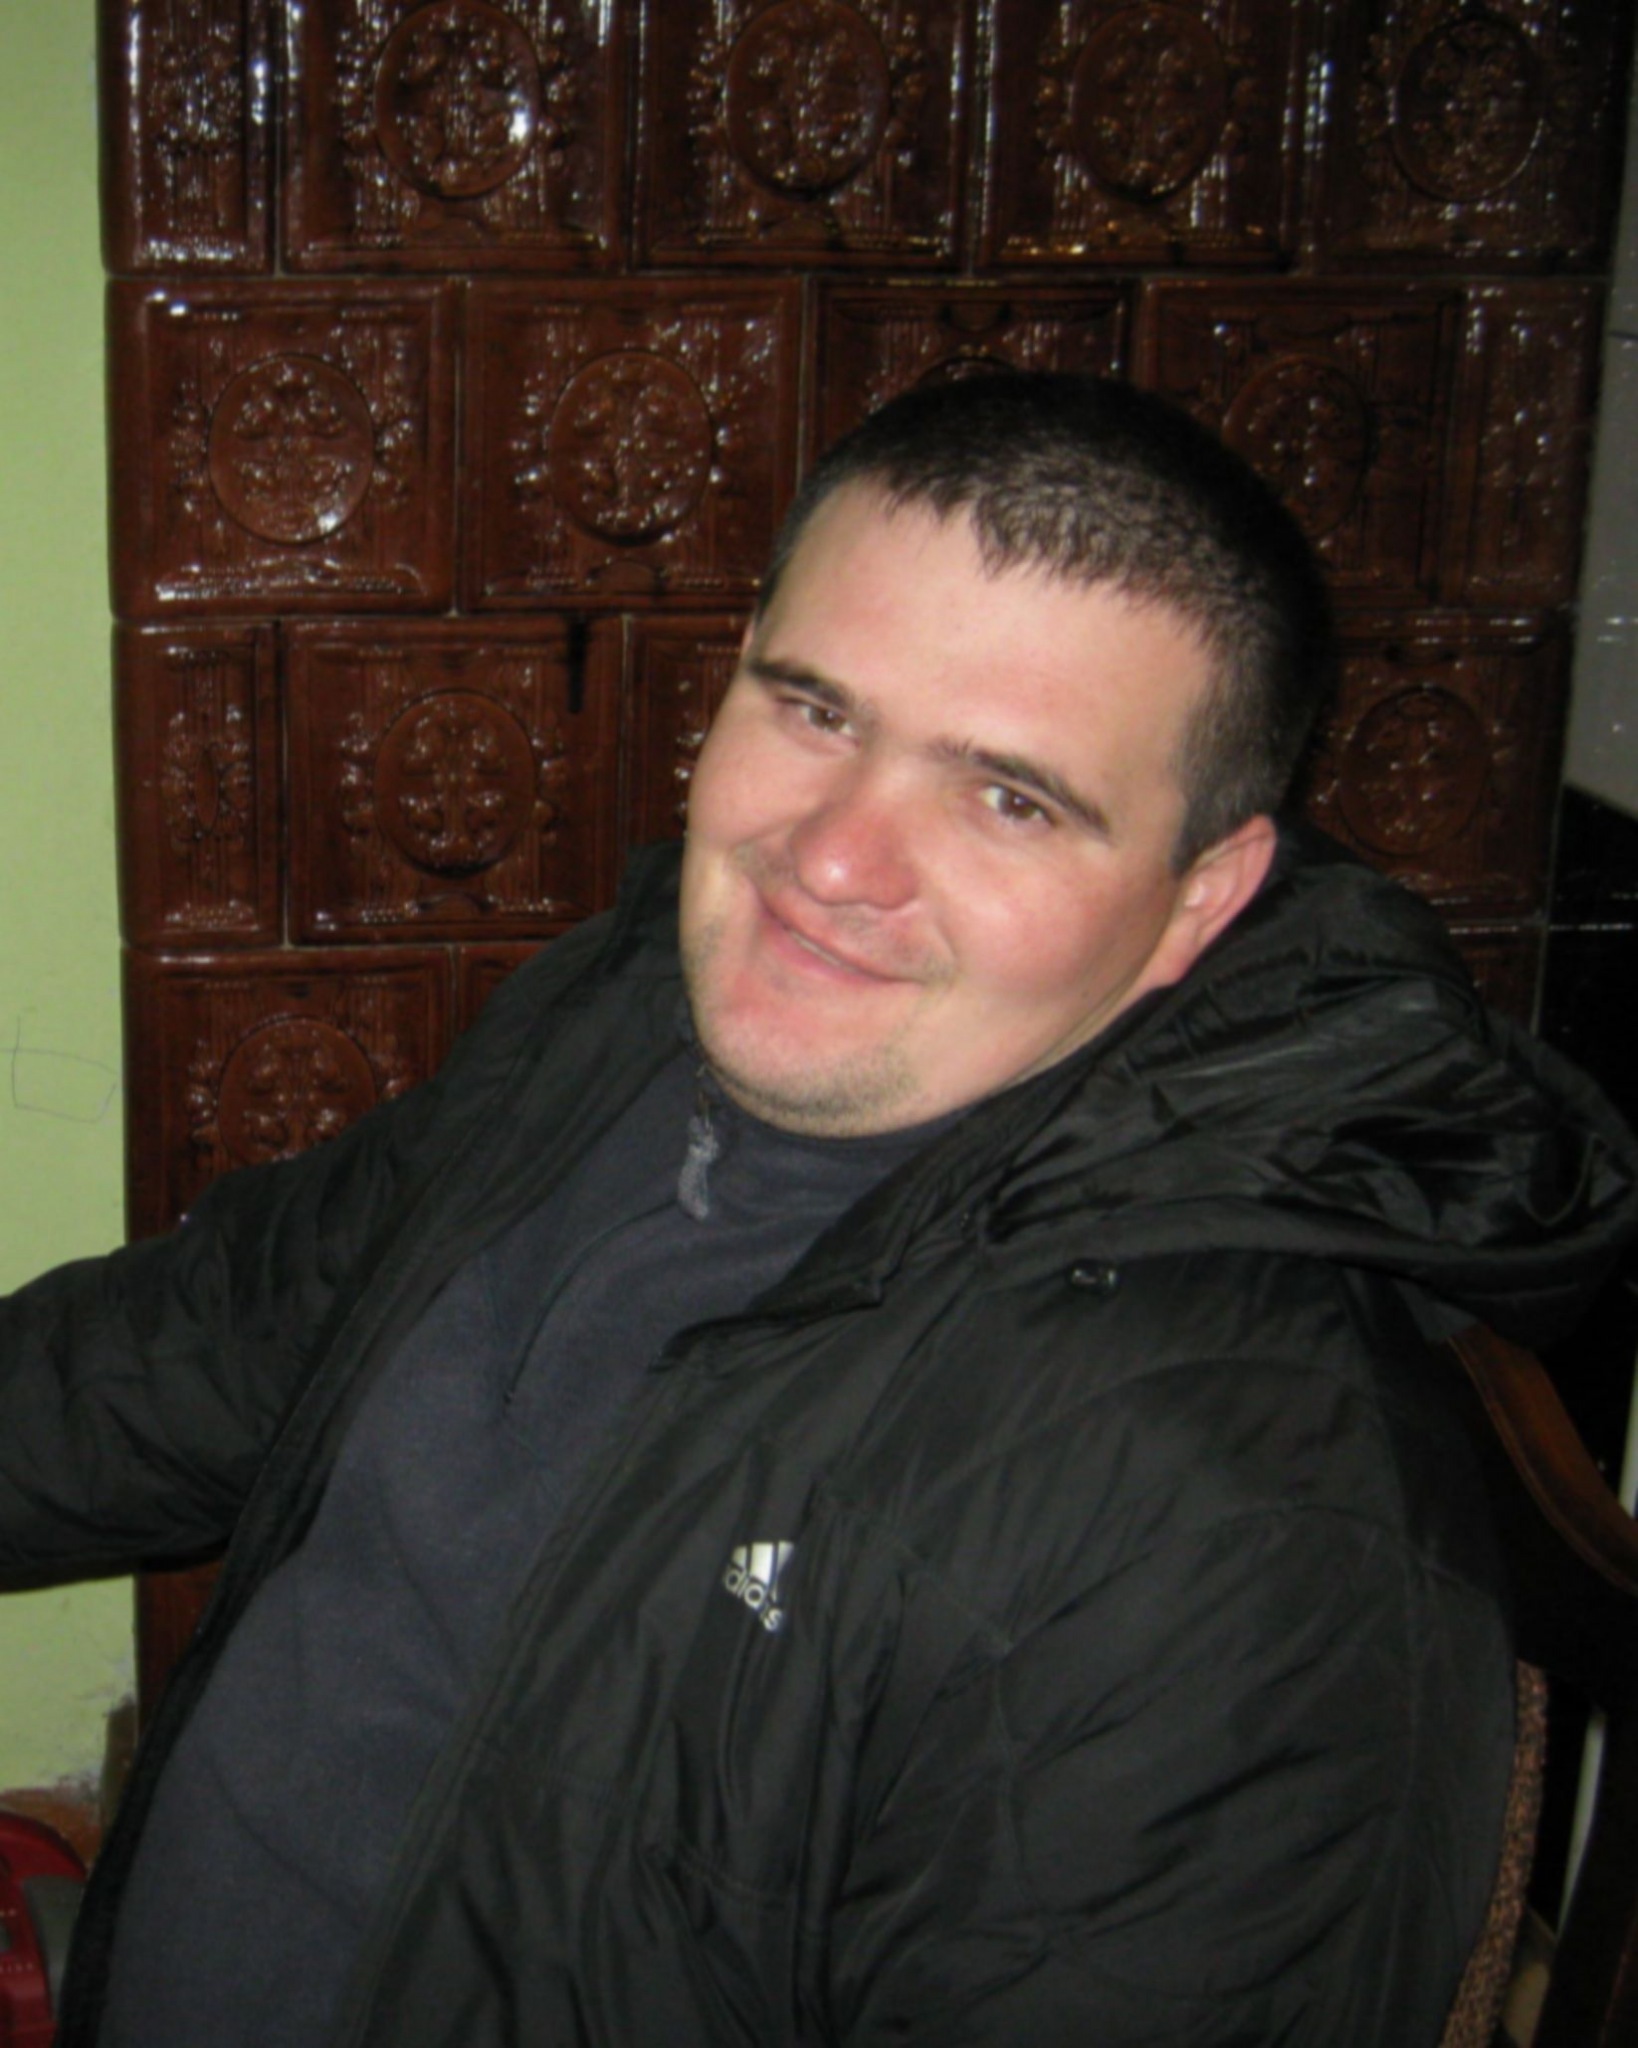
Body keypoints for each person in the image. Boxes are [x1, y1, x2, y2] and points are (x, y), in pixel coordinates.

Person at [3, 374, 1635, 2047]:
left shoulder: (1236, 1541)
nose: (834, 861)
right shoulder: (632, 1018)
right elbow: (199, 1346)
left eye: (1009, 797)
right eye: (816, 711)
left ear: (1198, 899)